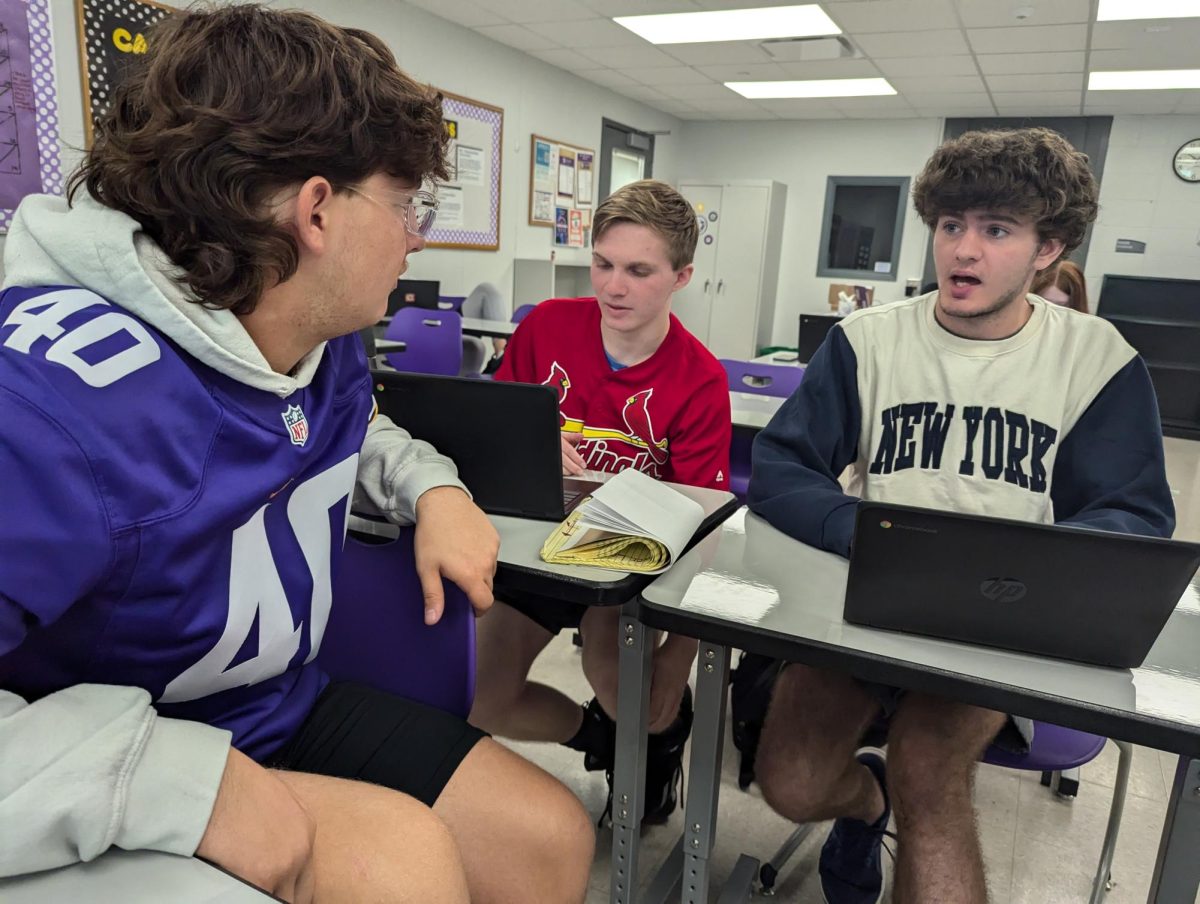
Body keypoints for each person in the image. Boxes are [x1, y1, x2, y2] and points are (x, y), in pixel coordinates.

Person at [0, 7, 594, 902]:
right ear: (317, 211)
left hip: (271, 705)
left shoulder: (307, 330)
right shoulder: (46, 411)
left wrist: (435, 489)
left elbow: (349, 434)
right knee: (405, 866)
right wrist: (165, 781)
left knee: (546, 839)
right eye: (405, 207)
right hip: (106, 749)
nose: (417, 236)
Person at [747, 127, 1175, 904]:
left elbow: (1132, 516)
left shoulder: (1097, 359)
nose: (963, 251)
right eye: (951, 226)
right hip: (864, 604)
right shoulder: (867, 340)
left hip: (993, 623)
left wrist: (1021, 566)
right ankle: (864, 804)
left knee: (929, 772)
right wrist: (858, 531)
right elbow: (781, 467)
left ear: (1048, 249)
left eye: (996, 229)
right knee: (792, 784)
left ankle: (896, 794)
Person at [470, 179, 732, 823]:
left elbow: (707, 531)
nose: (613, 287)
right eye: (603, 264)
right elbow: (495, 430)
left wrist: (677, 659)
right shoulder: (546, 327)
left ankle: (653, 735)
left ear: (681, 277)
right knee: (482, 699)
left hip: (626, 568)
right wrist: (531, 442)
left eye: (639, 271)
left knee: (637, 698)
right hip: (537, 549)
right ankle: (603, 741)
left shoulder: (700, 380)